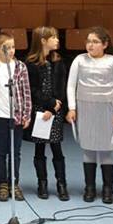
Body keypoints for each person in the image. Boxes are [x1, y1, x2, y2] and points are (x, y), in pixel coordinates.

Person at [66, 26, 113, 204]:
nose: (90, 45)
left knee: (106, 149)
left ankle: (108, 188)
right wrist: (72, 108)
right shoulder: (79, 60)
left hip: (107, 109)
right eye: (88, 41)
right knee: (88, 147)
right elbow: (71, 85)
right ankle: (90, 187)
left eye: (95, 42)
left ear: (105, 44)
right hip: (85, 108)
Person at [24, 26, 69, 201]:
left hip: (55, 110)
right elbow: (33, 89)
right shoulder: (31, 63)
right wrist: (47, 105)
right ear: (43, 41)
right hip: (40, 111)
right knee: (39, 148)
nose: (57, 40)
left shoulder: (58, 61)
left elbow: (62, 86)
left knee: (57, 148)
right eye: (53, 37)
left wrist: (54, 107)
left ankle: (61, 183)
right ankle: (42, 182)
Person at [0, 32, 32, 202]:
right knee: (1, 151)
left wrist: (26, 114)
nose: (11, 51)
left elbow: (26, 92)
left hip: (16, 116)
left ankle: (14, 183)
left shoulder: (20, 67)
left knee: (15, 152)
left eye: (13, 47)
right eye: (7, 48)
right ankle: (2, 184)